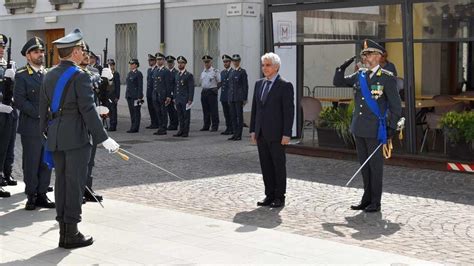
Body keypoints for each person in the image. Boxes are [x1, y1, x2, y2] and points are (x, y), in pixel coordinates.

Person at [39, 28, 120, 248]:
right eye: (81, 49)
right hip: (76, 138)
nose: (83, 52)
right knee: (74, 185)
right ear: (74, 52)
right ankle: (71, 233)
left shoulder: (48, 74)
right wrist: (103, 138)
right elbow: (88, 109)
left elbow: (42, 109)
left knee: (62, 183)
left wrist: (45, 133)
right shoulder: (80, 76)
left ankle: (63, 232)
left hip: (56, 136)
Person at [333, 39, 402, 213]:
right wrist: (341, 68)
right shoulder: (359, 75)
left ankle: (375, 201)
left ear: (379, 57)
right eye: (364, 54)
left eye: (369, 54)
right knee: (364, 165)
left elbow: (395, 106)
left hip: (375, 129)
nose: (366, 57)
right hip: (359, 127)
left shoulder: (387, 78)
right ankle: (366, 198)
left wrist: (391, 128)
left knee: (375, 166)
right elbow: (338, 82)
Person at [14, 37, 55, 209]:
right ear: (28, 56)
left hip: (49, 126)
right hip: (31, 126)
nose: (40, 55)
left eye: (42, 51)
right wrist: (40, 114)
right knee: (31, 161)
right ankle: (31, 194)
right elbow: (20, 101)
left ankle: (42, 194)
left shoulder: (48, 74)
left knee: (46, 161)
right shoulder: (22, 75)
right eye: (36, 52)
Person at [250, 52, 294, 208]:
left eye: (268, 65)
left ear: (276, 67)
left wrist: (287, 133)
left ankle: (279, 196)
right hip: (261, 133)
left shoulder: (285, 85)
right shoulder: (259, 84)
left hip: (277, 134)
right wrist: (253, 130)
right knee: (266, 165)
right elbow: (256, 109)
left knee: (278, 165)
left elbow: (289, 112)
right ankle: (269, 194)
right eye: (263, 65)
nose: (264, 68)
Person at [79, 43, 114, 203]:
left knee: (90, 159)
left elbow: (102, 94)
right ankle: (77, 190)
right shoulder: (73, 73)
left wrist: (108, 81)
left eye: (87, 52)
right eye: (83, 52)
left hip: (93, 120)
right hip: (78, 122)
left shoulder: (94, 72)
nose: (86, 55)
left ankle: (87, 188)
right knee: (79, 160)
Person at [0, 33, 17, 198]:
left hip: (10, 109)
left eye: (3, 47)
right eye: (0, 47)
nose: (1, 50)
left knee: (9, 143)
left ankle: (7, 172)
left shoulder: (8, 65)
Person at [228, 54, 248, 141]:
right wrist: (229, 97)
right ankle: (234, 133)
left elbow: (245, 86)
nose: (235, 62)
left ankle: (239, 134)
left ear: (239, 61)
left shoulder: (242, 72)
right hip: (232, 97)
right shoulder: (231, 72)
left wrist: (244, 98)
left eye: (237, 61)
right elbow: (230, 86)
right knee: (233, 116)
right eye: (234, 61)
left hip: (238, 98)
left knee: (239, 116)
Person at [173, 56, 194, 138]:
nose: (180, 64)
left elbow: (191, 88)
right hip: (178, 99)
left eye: (182, 63)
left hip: (185, 99)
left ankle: (185, 131)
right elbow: (175, 87)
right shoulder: (177, 75)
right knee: (180, 116)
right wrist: (174, 97)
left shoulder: (188, 75)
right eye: (179, 63)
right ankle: (180, 130)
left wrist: (190, 99)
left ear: (185, 64)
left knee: (186, 116)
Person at [152, 52, 172, 135]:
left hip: (163, 94)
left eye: (160, 59)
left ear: (164, 61)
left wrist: (168, 96)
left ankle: (163, 128)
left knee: (163, 112)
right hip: (156, 94)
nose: (158, 61)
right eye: (157, 60)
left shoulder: (166, 71)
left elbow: (168, 84)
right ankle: (160, 127)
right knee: (158, 111)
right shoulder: (156, 70)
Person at [199, 55, 220, 132]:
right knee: (205, 110)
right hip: (204, 91)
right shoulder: (203, 72)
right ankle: (206, 125)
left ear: (211, 62)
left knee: (213, 110)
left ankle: (215, 126)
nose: (206, 64)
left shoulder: (215, 71)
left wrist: (215, 89)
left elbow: (219, 82)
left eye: (208, 62)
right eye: (205, 62)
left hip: (212, 91)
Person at [125, 58, 143, 133]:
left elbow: (140, 86)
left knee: (136, 112)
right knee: (132, 112)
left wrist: (139, 97)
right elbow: (128, 86)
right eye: (130, 64)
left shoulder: (138, 74)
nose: (131, 65)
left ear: (136, 65)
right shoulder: (130, 73)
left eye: (132, 64)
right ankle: (132, 126)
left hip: (136, 96)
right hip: (129, 96)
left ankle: (135, 127)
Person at [220, 54, 234, 135]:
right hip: (224, 96)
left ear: (230, 62)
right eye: (224, 62)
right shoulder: (222, 72)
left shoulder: (232, 72)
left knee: (231, 113)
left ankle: (232, 128)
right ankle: (228, 128)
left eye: (227, 62)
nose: (225, 63)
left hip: (230, 96)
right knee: (226, 114)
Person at [106, 59, 120, 132]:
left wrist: (117, 96)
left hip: (113, 95)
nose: (110, 66)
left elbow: (117, 86)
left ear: (114, 65)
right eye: (109, 65)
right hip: (108, 95)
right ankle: (110, 124)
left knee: (113, 110)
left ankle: (113, 125)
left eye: (111, 65)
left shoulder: (116, 74)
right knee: (109, 111)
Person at [146, 54, 159, 129]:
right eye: (149, 60)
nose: (149, 62)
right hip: (149, 92)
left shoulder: (157, 69)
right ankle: (153, 122)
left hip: (154, 92)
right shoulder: (149, 70)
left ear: (155, 61)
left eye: (151, 60)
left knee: (155, 108)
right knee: (150, 108)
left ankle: (157, 123)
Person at [165, 55, 178, 130]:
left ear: (173, 63)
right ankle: (171, 123)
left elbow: (176, 85)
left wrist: (175, 95)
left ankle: (175, 124)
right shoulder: (166, 72)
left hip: (173, 94)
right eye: (168, 62)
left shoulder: (176, 72)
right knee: (169, 110)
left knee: (174, 110)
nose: (170, 64)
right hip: (167, 94)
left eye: (171, 62)